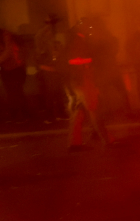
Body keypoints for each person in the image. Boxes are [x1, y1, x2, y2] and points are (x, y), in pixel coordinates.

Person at [66, 20, 113, 150]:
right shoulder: (77, 41)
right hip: (82, 80)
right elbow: (72, 60)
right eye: (87, 26)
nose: (89, 29)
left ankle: (74, 143)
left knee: (79, 111)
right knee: (94, 109)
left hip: (78, 80)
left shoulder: (77, 39)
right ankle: (107, 140)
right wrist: (91, 60)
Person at [35, 14, 69, 121]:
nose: (51, 27)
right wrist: (48, 25)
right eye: (49, 23)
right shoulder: (42, 37)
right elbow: (39, 39)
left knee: (59, 92)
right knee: (50, 94)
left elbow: (61, 50)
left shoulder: (56, 36)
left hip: (57, 69)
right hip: (47, 69)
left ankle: (61, 113)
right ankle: (50, 116)